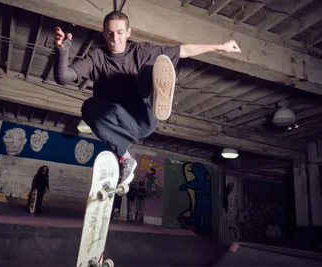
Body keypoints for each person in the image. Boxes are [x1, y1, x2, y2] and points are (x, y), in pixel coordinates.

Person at [53, 11, 241, 186]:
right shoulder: (97, 58)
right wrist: (62, 51)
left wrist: (220, 47)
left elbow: (183, 50)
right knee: (88, 107)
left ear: (128, 32)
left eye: (119, 32)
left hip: (143, 115)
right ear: (104, 34)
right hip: (120, 122)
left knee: (151, 65)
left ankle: (160, 88)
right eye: (110, 33)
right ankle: (126, 159)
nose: (115, 39)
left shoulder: (141, 51)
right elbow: (63, 77)